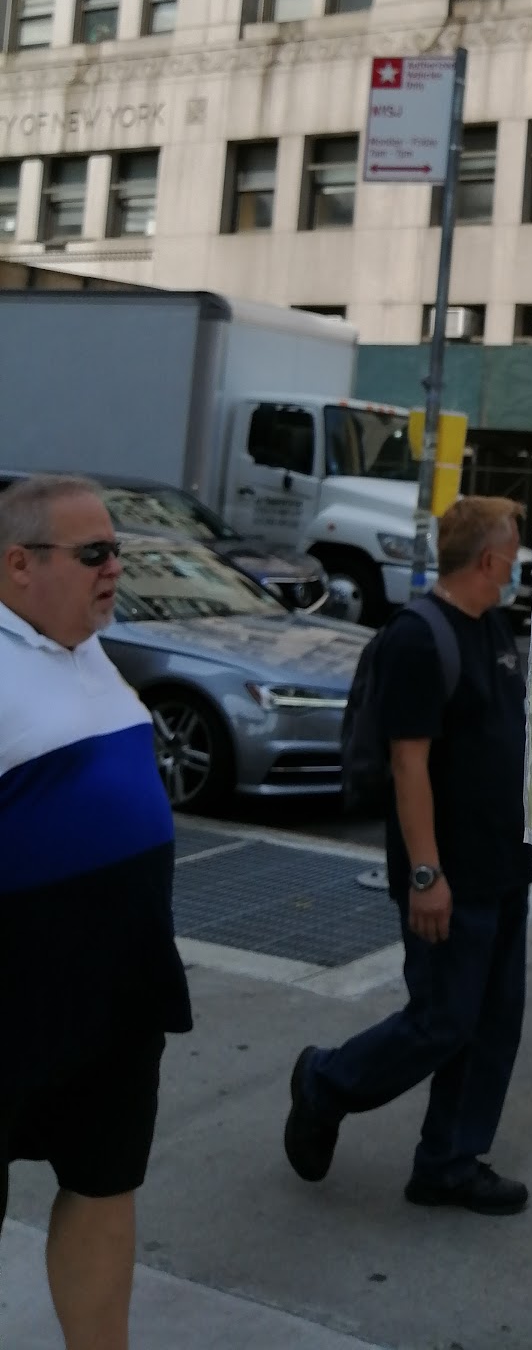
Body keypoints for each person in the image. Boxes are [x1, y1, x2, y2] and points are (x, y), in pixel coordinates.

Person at [285, 496, 532, 1213]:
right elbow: (407, 763)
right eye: (514, 548)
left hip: (503, 865)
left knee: (492, 1023)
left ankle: (448, 1164)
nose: (519, 561)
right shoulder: (418, 639)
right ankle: (326, 1082)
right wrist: (426, 874)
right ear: (488, 558)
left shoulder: (494, 629)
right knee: (441, 1020)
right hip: (449, 874)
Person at [0, 475, 191, 1349]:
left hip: (116, 988)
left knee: (104, 1182)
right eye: (94, 554)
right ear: (19, 565)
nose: (116, 567)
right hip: (15, 989)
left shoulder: (87, 648)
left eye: (118, 550)